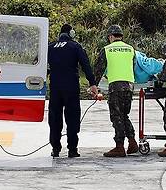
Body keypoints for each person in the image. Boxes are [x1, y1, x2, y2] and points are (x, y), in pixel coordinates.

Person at [47, 24, 97, 158]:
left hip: (55, 88)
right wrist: (92, 83)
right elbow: (85, 65)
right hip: (71, 87)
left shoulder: (50, 47)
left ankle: (55, 149)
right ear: (71, 33)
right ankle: (72, 149)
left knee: (55, 118)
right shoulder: (75, 46)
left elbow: (39, 65)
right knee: (72, 118)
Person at [91, 25, 137, 158]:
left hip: (115, 87)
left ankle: (119, 147)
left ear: (111, 36)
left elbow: (98, 69)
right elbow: (132, 66)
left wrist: (93, 85)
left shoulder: (107, 49)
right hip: (129, 86)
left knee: (116, 116)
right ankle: (132, 142)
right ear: (121, 36)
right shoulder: (131, 49)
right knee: (124, 115)